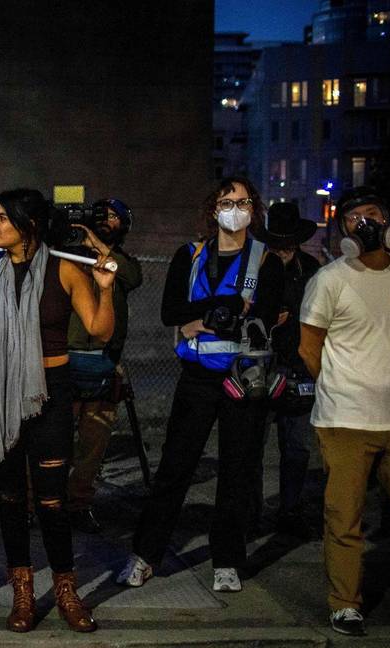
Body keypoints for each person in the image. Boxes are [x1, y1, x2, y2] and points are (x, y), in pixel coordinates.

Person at [117, 176, 285, 594]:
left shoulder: (266, 261)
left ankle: (226, 559)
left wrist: (202, 318)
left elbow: (265, 314)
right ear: (213, 209)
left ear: (254, 208)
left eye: (243, 201)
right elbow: (170, 311)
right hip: (196, 379)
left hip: (244, 379)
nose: (235, 208)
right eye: (227, 201)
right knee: (174, 469)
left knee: (236, 472)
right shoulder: (189, 255)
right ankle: (145, 555)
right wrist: (222, 308)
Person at [0, 188, 117, 633]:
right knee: (9, 500)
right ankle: (23, 593)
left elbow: (100, 331)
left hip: (51, 395)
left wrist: (104, 290)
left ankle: (66, 589)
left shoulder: (66, 271)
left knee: (52, 500)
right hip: (0, 399)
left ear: (27, 226)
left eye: (2, 218)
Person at [298, 187, 390, 638]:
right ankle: (344, 604)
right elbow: (308, 347)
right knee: (344, 517)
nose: (363, 223)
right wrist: (339, 388)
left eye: (371, 214)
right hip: (344, 420)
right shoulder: (331, 279)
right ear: (344, 232)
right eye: (353, 219)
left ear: (389, 223)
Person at [65, 198, 144, 534]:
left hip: (103, 363)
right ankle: (38, 505)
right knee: (51, 442)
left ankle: (79, 505)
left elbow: (131, 276)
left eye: (113, 217)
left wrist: (96, 245)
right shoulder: (66, 254)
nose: (104, 221)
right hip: (63, 360)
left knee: (93, 445)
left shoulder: (121, 263)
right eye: (100, 215)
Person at [258, 202, 322, 538]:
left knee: (296, 447)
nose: (283, 251)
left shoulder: (311, 269)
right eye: (277, 244)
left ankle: (290, 510)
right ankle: (250, 511)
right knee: (254, 444)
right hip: (259, 369)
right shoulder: (254, 267)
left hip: (297, 368)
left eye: (289, 244)